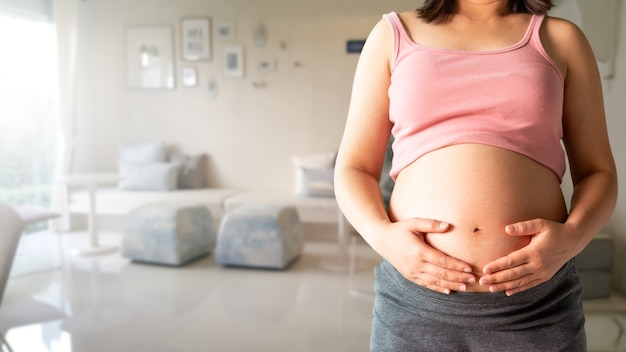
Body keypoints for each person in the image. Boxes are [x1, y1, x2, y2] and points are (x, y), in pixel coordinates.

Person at [333, 0, 618, 350]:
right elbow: (354, 167)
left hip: (537, 310)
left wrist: (573, 238)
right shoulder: (391, 36)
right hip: (415, 307)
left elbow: (598, 172)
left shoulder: (561, 38)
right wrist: (381, 237)